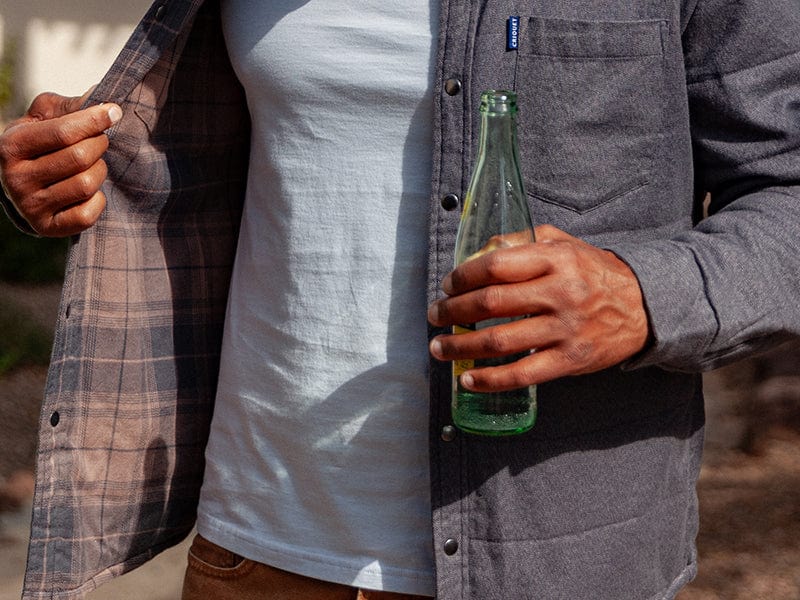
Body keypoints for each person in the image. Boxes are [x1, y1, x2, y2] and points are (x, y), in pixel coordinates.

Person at [1, 0, 799, 598]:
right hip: (254, 556)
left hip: (559, 566)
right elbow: (195, 158)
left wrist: (643, 295)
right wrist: (60, 176)